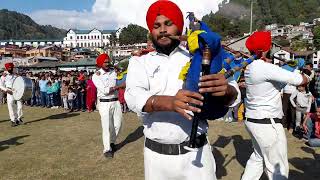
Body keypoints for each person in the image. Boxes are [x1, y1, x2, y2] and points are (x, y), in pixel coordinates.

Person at [125, 1, 239, 179]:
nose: (163, 30)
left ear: (179, 27)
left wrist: (227, 91)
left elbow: (234, 94)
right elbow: (133, 96)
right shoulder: (140, 61)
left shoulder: (199, 56)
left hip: (198, 158)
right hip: (156, 160)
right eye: (157, 26)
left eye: (168, 24)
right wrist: (170, 102)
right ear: (151, 31)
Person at [241, 31, 309, 180]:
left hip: (253, 121)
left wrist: (286, 69)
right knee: (278, 169)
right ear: (266, 48)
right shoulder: (266, 68)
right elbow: (301, 81)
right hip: (267, 124)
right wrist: (302, 72)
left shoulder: (251, 67)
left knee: (258, 159)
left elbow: (274, 82)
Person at [92, 53, 122, 158]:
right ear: (100, 63)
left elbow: (122, 74)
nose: (107, 63)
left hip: (116, 101)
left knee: (118, 125)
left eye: (108, 62)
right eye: (105, 62)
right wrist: (118, 87)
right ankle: (107, 149)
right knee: (106, 127)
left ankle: (112, 142)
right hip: (104, 102)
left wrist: (119, 69)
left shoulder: (113, 72)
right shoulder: (96, 75)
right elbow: (105, 91)